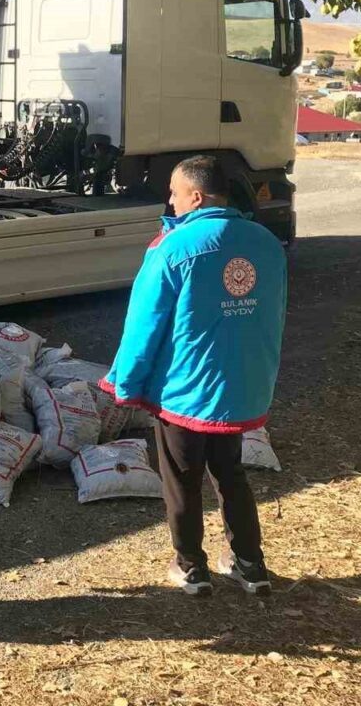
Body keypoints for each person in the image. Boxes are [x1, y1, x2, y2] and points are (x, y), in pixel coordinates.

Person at [100, 155, 286, 597]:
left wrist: (124, 382)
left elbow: (145, 323)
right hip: (240, 385)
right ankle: (250, 564)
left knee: (182, 477)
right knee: (231, 472)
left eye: (174, 191)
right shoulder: (265, 243)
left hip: (185, 390)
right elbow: (273, 315)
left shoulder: (174, 248)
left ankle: (191, 567)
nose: (170, 199)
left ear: (196, 196)